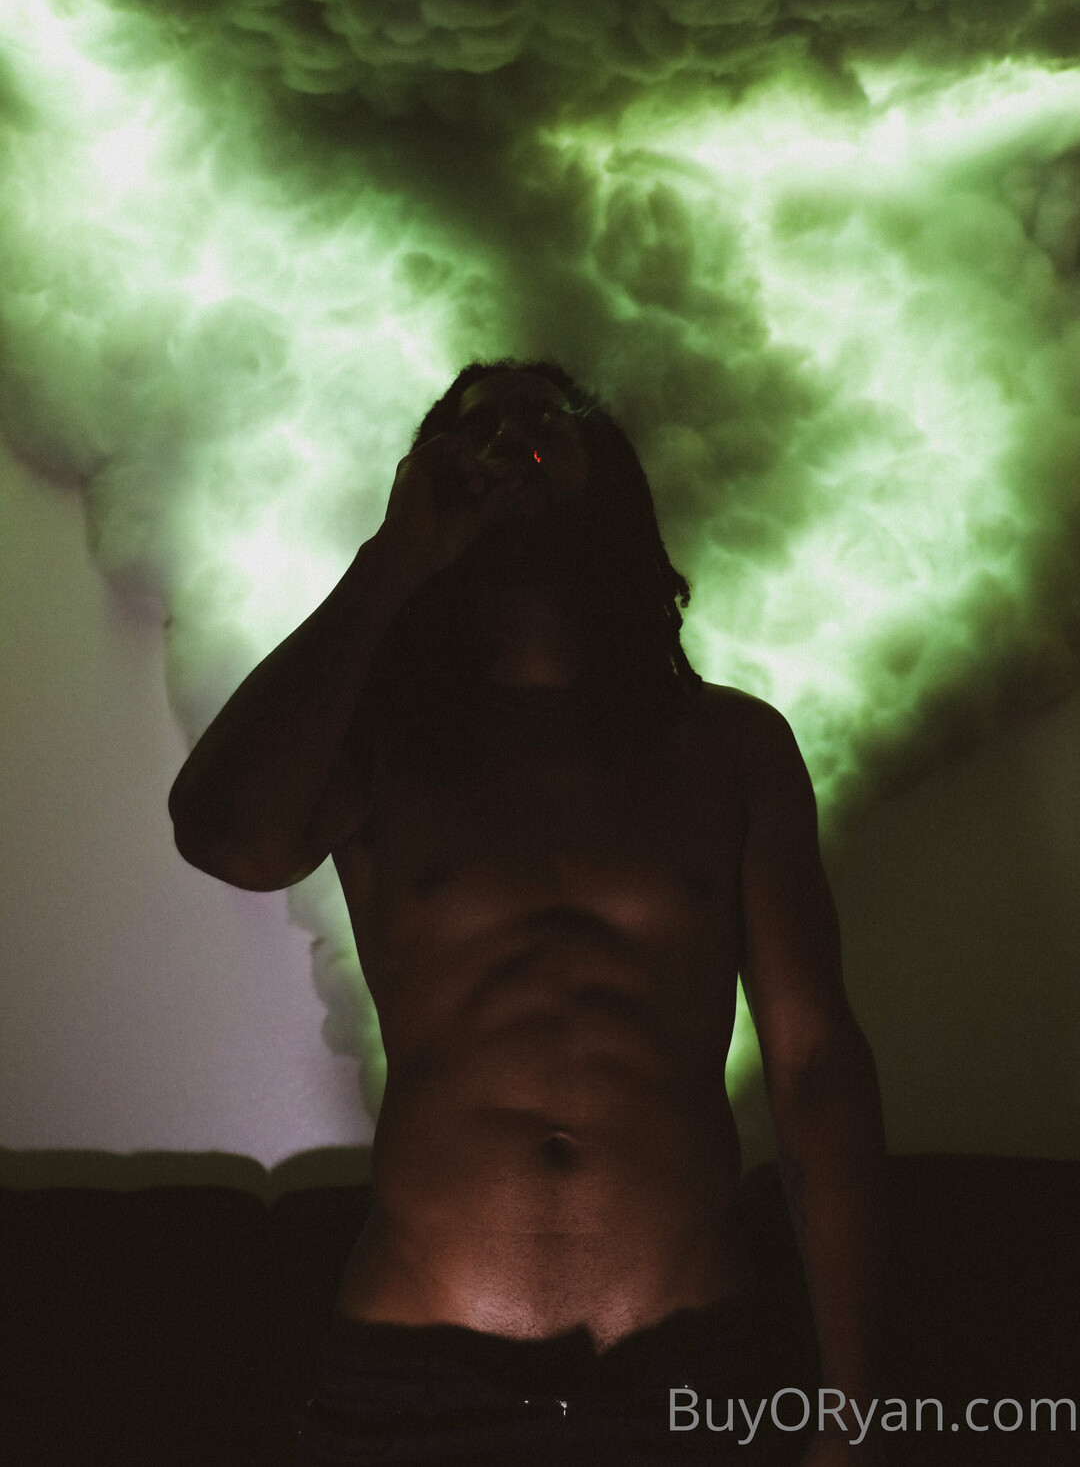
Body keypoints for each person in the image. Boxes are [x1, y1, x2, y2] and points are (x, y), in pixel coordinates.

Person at [169, 360, 886, 1465]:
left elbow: (816, 1070)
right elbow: (226, 836)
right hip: (408, 1394)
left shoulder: (733, 748)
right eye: (478, 435)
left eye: (545, 427)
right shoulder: (381, 750)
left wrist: (855, 1406)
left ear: (613, 487)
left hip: (690, 1383)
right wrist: (394, 558)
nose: (511, 451)